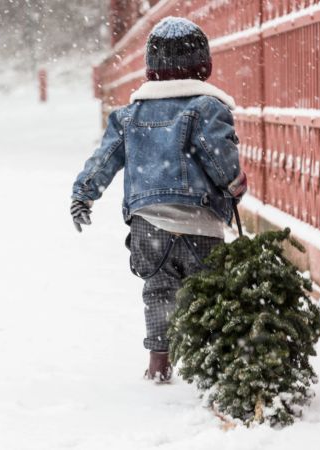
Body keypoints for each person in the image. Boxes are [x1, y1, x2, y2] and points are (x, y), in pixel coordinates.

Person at [70, 16, 246, 382]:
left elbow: (104, 158)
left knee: (159, 291)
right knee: (208, 293)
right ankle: (208, 363)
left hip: (149, 225)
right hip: (200, 222)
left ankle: (159, 363)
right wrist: (233, 183)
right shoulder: (206, 108)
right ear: (203, 66)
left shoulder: (129, 116)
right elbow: (219, 158)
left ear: (150, 71)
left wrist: (83, 193)